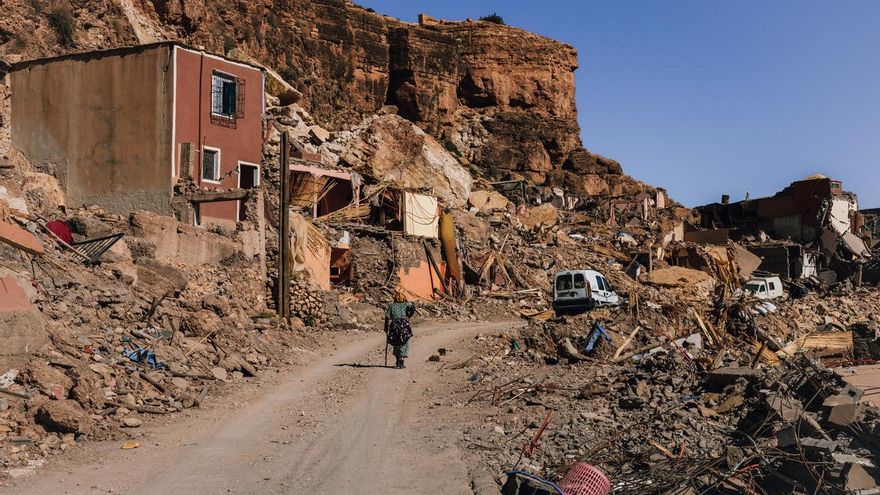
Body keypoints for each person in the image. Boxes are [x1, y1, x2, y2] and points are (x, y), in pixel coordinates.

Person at [385, 292, 416, 369]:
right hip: (404, 325)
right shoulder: (406, 304)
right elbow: (413, 308)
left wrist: (386, 328)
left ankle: (398, 362)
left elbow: (387, 317)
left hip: (395, 326)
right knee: (404, 342)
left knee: (396, 343)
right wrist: (408, 316)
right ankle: (401, 363)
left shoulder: (391, 306)